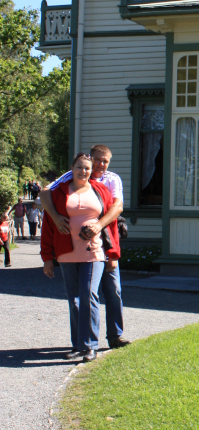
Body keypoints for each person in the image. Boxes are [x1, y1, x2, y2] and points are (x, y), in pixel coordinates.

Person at [41, 144, 130, 348]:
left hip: (102, 243)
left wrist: (111, 248)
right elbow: (46, 193)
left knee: (112, 290)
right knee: (81, 297)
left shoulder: (111, 180)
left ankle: (114, 336)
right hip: (71, 250)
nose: (100, 164)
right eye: (97, 159)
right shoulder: (71, 177)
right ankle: (83, 343)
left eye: (105, 161)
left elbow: (117, 208)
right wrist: (55, 218)